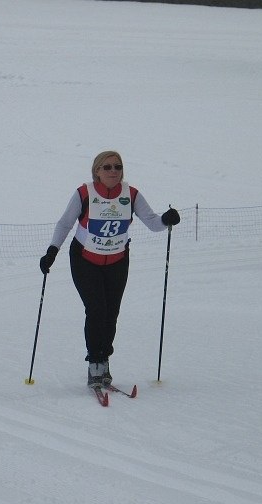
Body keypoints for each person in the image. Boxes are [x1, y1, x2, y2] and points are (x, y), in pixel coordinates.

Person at [39, 150, 180, 388]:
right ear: (97, 171)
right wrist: (52, 251)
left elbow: (153, 223)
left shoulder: (131, 194)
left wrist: (167, 219)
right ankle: (95, 362)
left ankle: (104, 359)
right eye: (107, 167)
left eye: (117, 166)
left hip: (117, 261)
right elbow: (65, 224)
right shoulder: (84, 193)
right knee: (96, 310)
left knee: (111, 313)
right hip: (85, 260)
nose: (113, 171)